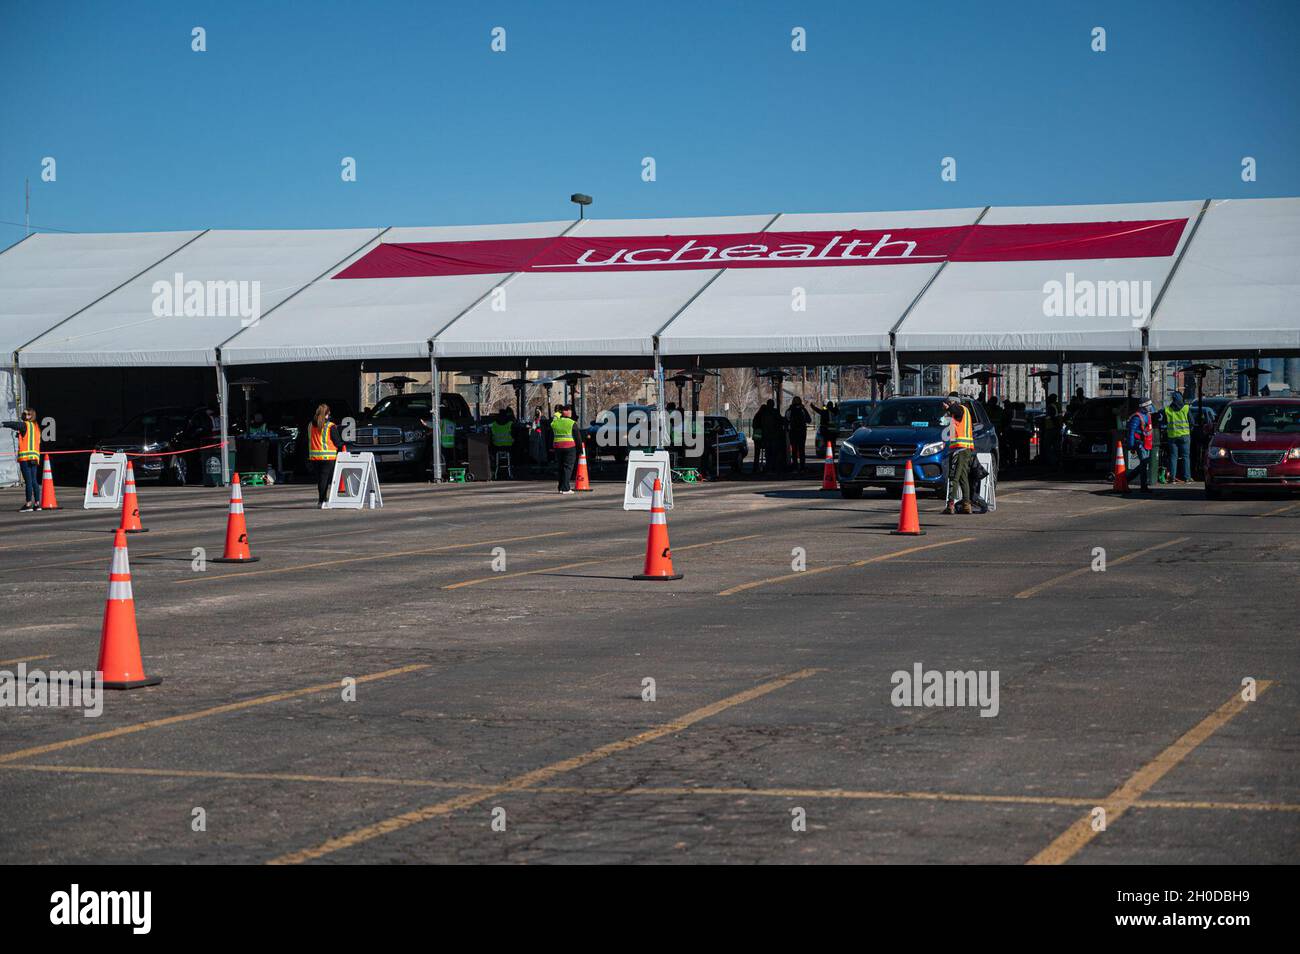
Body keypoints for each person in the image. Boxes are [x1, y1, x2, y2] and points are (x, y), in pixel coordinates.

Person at [942, 394, 986, 515]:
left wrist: (948, 408)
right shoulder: (964, 411)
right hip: (964, 449)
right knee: (962, 478)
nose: (948, 404)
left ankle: (950, 505)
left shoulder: (960, 409)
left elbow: (955, 410)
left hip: (960, 449)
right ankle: (967, 504)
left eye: (949, 402)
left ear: (953, 402)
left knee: (954, 477)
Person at [4, 407, 42, 512]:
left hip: (25, 458)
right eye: (25, 414)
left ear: (32, 415)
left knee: (29, 481)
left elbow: (14, 424)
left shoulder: (25, 425)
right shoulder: (36, 427)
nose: (26, 416)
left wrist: (3, 424)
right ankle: (37, 503)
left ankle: (28, 503)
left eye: (28, 414)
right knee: (34, 481)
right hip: (34, 457)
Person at [308, 403, 342, 507]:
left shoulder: (310, 425)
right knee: (325, 480)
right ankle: (322, 500)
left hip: (314, 457)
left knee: (321, 480)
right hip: (328, 457)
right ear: (328, 413)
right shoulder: (330, 426)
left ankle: (321, 500)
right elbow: (337, 442)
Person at [1125, 399, 1155, 494]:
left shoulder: (1147, 415)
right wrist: (1131, 446)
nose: (1150, 407)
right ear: (1143, 406)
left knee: (1144, 464)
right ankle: (1143, 486)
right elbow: (1131, 432)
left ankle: (1127, 479)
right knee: (1143, 464)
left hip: (1147, 443)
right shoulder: (1137, 417)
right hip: (1140, 443)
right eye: (1148, 405)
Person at [1163, 390, 1192, 483]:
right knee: (1185, 457)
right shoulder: (1186, 408)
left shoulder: (1167, 409)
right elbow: (1192, 422)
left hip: (1172, 437)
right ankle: (1187, 477)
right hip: (1184, 436)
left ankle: (1172, 478)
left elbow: (1163, 422)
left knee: (1173, 457)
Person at [551, 404, 578, 494]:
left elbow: (552, 423)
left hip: (558, 447)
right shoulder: (571, 423)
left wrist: (558, 414)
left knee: (560, 467)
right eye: (569, 410)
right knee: (567, 467)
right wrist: (580, 450)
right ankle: (566, 488)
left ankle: (561, 487)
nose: (570, 412)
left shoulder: (555, 422)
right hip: (569, 447)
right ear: (566, 411)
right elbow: (578, 437)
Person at [785, 397, 811, 471]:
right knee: (802, 450)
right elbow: (809, 420)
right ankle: (802, 466)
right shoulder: (802, 410)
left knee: (794, 450)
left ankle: (795, 466)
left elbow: (786, 421)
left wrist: (787, 429)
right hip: (802, 432)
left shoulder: (789, 410)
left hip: (793, 432)